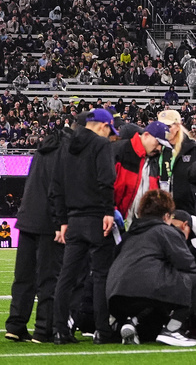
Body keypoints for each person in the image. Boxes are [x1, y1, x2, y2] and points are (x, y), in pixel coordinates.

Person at [50, 109, 119, 345]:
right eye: (109, 128)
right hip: (97, 217)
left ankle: (60, 330)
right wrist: (108, 211)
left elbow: (56, 187)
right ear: (103, 125)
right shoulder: (101, 145)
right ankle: (102, 331)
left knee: (67, 276)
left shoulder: (65, 146)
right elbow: (106, 179)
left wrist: (62, 220)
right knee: (100, 275)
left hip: (73, 220)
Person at [106, 190, 196, 347]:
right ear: (166, 216)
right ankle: (172, 330)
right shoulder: (166, 231)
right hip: (147, 289)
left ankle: (130, 322)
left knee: (153, 287)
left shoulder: (128, 236)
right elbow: (188, 266)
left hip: (115, 296)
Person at [5, 125, 68, 343]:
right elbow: (56, 191)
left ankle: (15, 325)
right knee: (48, 277)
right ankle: (44, 329)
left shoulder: (40, 153)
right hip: (48, 222)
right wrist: (61, 221)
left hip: (27, 219)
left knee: (23, 277)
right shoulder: (62, 156)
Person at [112, 121, 171, 227]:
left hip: (140, 225)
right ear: (146, 135)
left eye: (162, 145)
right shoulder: (119, 151)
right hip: (111, 221)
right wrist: (110, 209)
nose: (159, 148)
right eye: (158, 143)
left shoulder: (154, 160)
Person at [157, 109, 196, 215]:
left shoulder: (192, 149)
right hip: (162, 208)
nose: (165, 130)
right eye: (161, 126)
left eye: (168, 126)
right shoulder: (157, 148)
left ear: (178, 126)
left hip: (187, 210)